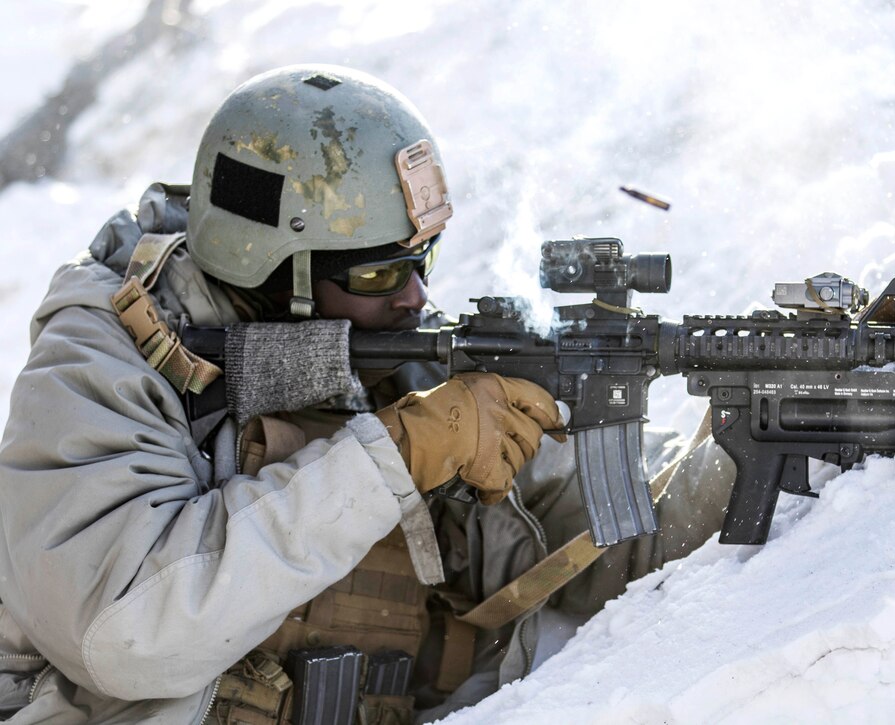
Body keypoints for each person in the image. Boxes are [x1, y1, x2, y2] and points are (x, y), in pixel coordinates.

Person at [0, 65, 734, 724]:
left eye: (423, 261)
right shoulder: (102, 363)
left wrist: (757, 441)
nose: (417, 296)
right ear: (274, 266)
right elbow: (124, 633)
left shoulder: (391, 356)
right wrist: (397, 452)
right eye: (381, 276)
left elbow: (615, 531)